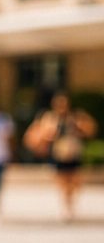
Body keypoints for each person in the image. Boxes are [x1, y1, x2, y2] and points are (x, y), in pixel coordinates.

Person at [24, 93, 97, 221]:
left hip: (73, 151)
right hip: (58, 152)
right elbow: (37, 134)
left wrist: (80, 128)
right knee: (62, 180)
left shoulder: (76, 116)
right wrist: (48, 135)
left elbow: (90, 130)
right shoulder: (50, 118)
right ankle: (66, 205)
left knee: (74, 180)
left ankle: (70, 200)